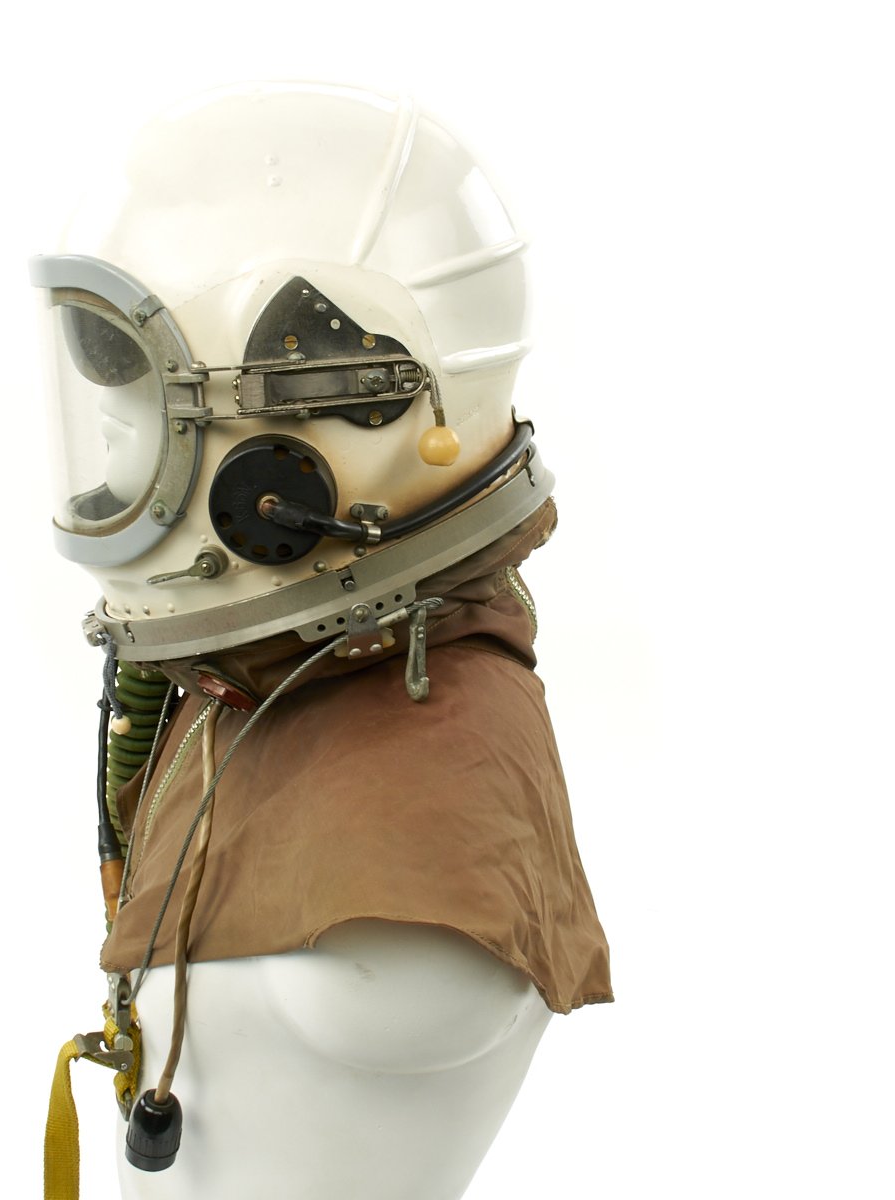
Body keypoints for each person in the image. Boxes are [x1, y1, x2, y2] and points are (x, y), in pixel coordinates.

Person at [32, 82, 612, 1200]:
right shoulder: (257, 673)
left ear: (309, 452)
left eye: (145, 398)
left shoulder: (420, 837)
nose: (110, 436)